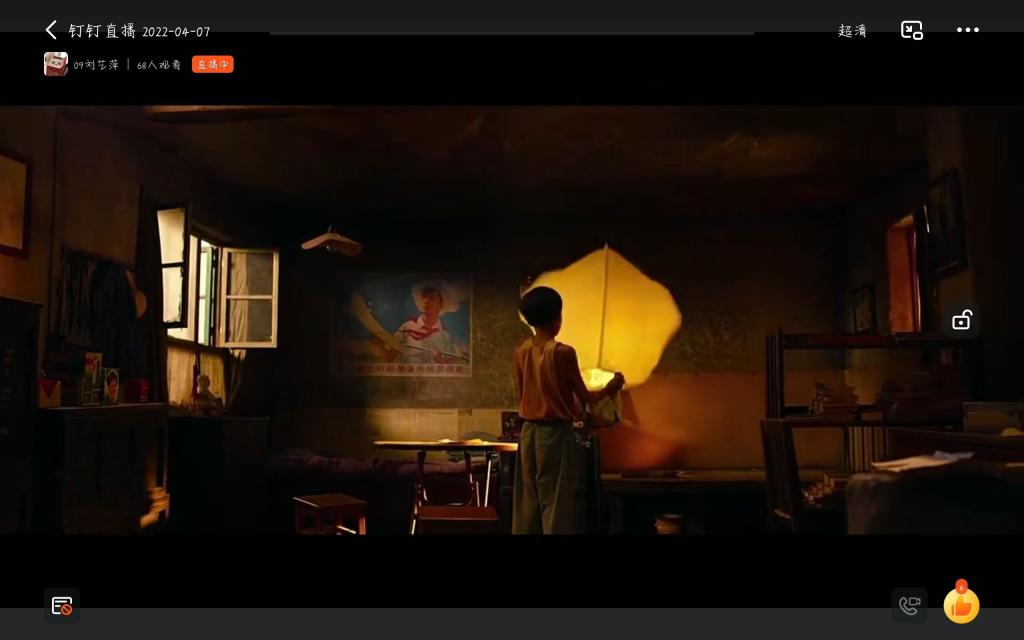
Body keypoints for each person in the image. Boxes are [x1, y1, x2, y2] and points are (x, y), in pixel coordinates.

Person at [513, 286, 624, 534]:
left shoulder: (521, 352)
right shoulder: (563, 352)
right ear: (557, 317)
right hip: (555, 435)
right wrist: (612, 387)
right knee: (556, 502)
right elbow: (587, 397)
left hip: (528, 433)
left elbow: (521, 396)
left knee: (528, 502)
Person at [394, 285, 460, 363]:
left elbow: (451, 365)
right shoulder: (407, 327)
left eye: (432, 298)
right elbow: (391, 355)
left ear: (441, 304)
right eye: (424, 297)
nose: (426, 301)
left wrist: (440, 360)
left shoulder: (445, 336)